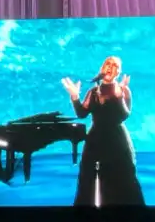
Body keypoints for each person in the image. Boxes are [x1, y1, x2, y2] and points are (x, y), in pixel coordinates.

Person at [61, 56, 145, 206]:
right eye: (108, 64)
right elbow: (82, 113)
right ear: (102, 68)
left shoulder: (124, 90)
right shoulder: (94, 92)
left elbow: (124, 115)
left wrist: (120, 96)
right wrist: (74, 96)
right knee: (90, 175)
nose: (110, 67)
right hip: (96, 140)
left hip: (118, 140)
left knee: (123, 174)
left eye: (115, 65)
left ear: (118, 72)